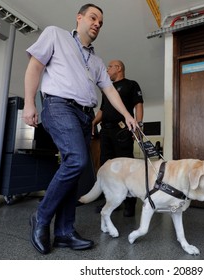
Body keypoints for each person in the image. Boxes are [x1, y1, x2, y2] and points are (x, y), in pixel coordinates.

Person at [22, 4, 137, 255]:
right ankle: (41, 217)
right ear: (80, 18)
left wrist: (128, 115)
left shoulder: (97, 61)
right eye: (93, 18)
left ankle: (64, 231)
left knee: (77, 169)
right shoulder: (55, 35)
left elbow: (108, 91)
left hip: (84, 116)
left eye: (101, 22)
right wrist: (29, 103)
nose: (97, 24)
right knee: (77, 159)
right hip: (59, 105)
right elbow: (35, 67)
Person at [92, 60, 144, 217]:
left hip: (122, 131)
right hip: (105, 132)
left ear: (118, 68)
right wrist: (93, 123)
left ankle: (130, 204)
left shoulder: (131, 85)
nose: (107, 69)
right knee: (106, 168)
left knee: (126, 168)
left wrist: (139, 126)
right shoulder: (107, 89)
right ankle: (110, 201)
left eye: (110, 66)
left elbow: (138, 105)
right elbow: (102, 110)